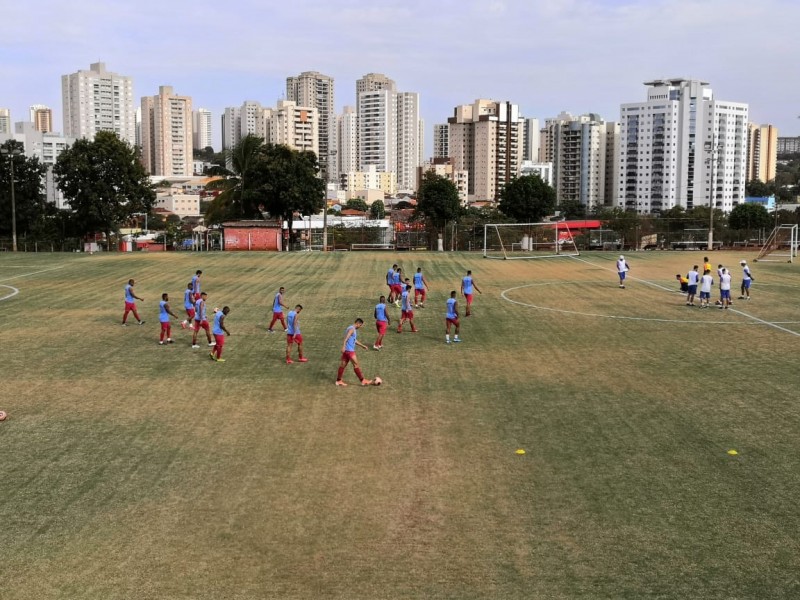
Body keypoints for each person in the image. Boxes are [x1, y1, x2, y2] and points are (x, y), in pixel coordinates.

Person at [335, 318, 373, 386]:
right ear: (358, 323)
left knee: (343, 365)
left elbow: (354, 340)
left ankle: (338, 381)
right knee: (356, 365)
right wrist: (343, 346)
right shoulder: (352, 329)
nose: (360, 327)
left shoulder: (350, 328)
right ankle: (363, 381)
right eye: (360, 325)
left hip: (346, 351)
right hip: (349, 351)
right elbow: (346, 338)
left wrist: (362, 346)